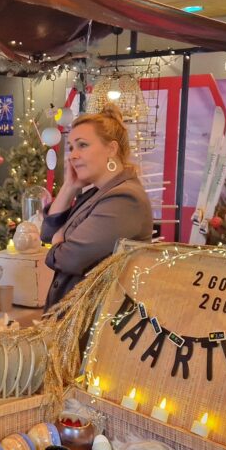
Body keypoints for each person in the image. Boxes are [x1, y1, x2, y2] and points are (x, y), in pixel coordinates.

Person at [41, 105, 152, 312]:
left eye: (82, 145)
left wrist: (60, 240)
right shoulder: (96, 194)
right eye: (72, 147)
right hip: (76, 319)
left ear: (111, 149)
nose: (73, 155)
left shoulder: (125, 199)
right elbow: (48, 234)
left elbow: (68, 258)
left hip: (97, 326)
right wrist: (69, 188)